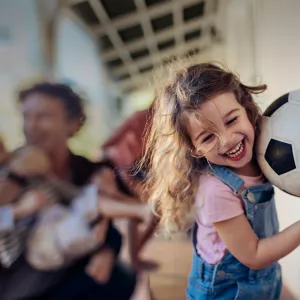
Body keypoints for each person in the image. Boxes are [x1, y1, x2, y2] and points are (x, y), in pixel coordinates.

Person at [142, 63, 300, 299]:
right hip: (226, 292)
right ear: (193, 149)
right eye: (207, 137)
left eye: (231, 120)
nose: (227, 140)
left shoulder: (263, 148)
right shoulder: (215, 191)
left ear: (245, 108)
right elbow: (254, 255)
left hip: (263, 279)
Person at [0, 83, 138, 300]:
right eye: (27, 116)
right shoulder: (10, 165)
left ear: (73, 124)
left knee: (121, 277)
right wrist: (16, 176)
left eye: (43, 117)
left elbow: (108, 220)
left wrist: (107, 250)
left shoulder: (89, 170)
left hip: (66, 267)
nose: (31, 126)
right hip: (18, 280)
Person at [101, 104, 159, 270]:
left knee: (152, 213)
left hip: (137, 169)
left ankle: (132, 259)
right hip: (122, 167)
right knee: (140, 213)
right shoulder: (140, 116)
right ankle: (131, 260)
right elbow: (113, 138)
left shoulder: (165, 123)